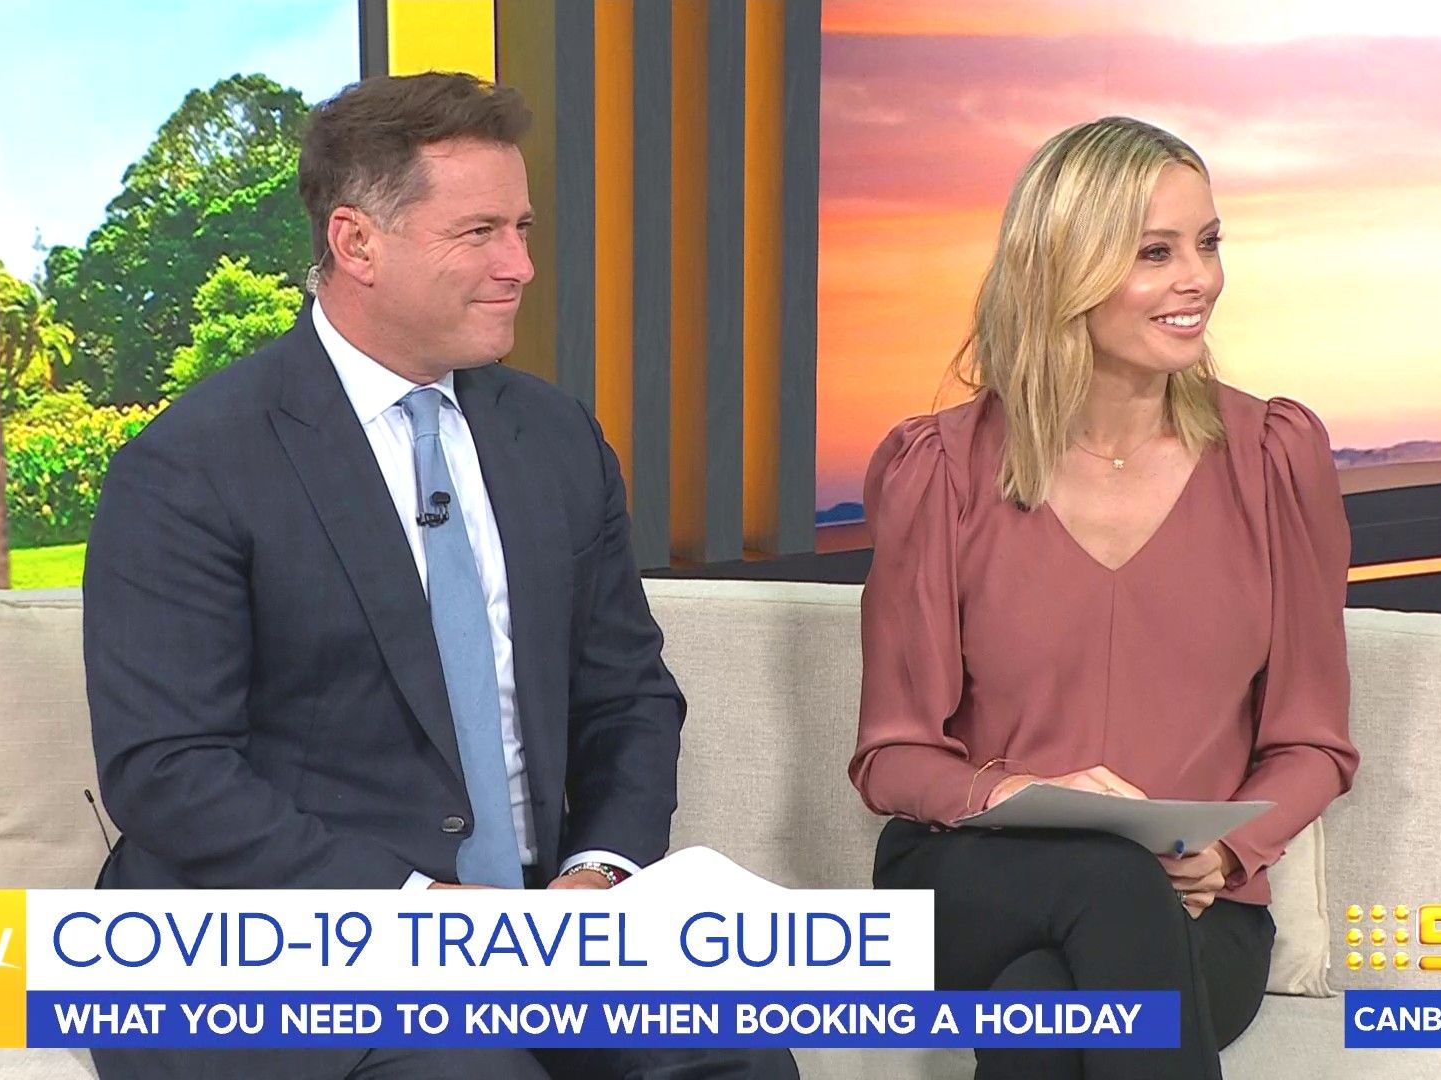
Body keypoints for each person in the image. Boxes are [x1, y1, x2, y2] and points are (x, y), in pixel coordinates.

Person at [84, 72, 797, 1080]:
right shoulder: (192, 465)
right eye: (479, 233)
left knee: (735, 1051)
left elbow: (628, 697)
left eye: (522, 228)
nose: (520, 265)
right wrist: (421, 912)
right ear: (356, 243)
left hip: (540, 929)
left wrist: (597, 874)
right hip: (292, 936)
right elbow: (169, 771)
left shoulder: (557, 438)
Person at [849, 116, 1360, 1079]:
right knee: (1108, 877)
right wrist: (1015, 794)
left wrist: (1227, 853)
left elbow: (1313, 743)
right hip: (972, 882)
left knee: (1043, 1007)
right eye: (1155, 253)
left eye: (1208, 244)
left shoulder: (1271, 460)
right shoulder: (942, 470)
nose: (1199, 279)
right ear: (1064, 271)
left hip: (1199, 906)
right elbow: (893, 755)